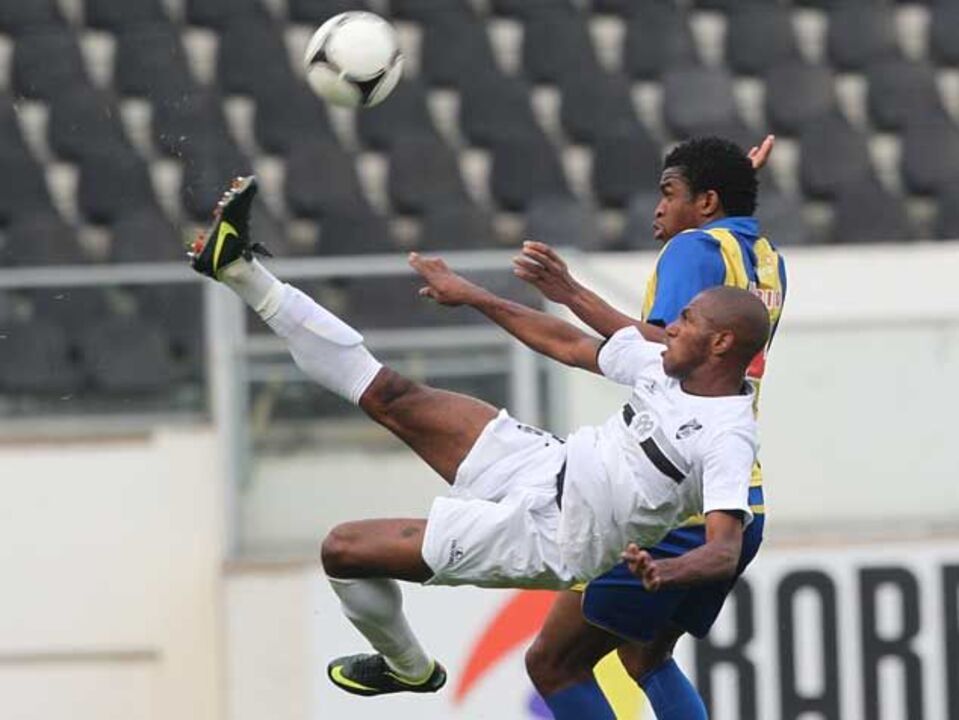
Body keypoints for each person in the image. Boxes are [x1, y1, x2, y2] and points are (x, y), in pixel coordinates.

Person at [188, 176, 771, 712]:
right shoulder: (667, 366)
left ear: (720, 343)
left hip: (549, 536)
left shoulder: (727, 433)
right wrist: (474, 296)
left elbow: (723, 548)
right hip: (548, 463)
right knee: (392, 395)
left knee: (343, 549)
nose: (668, 325)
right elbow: (567, 342)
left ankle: (408, 667)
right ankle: (240, 271)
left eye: (686, 320)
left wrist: (667, 574)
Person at [513, 136, 787, 719]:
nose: (657, 208)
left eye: (669, 194)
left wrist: (568, 294)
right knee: (646, 658)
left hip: (670, 498)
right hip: (736, 493)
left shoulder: (691, 249)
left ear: (707, 201)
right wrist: (731, 182)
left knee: (553, 664)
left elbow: (666, 351)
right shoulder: (765, 255)